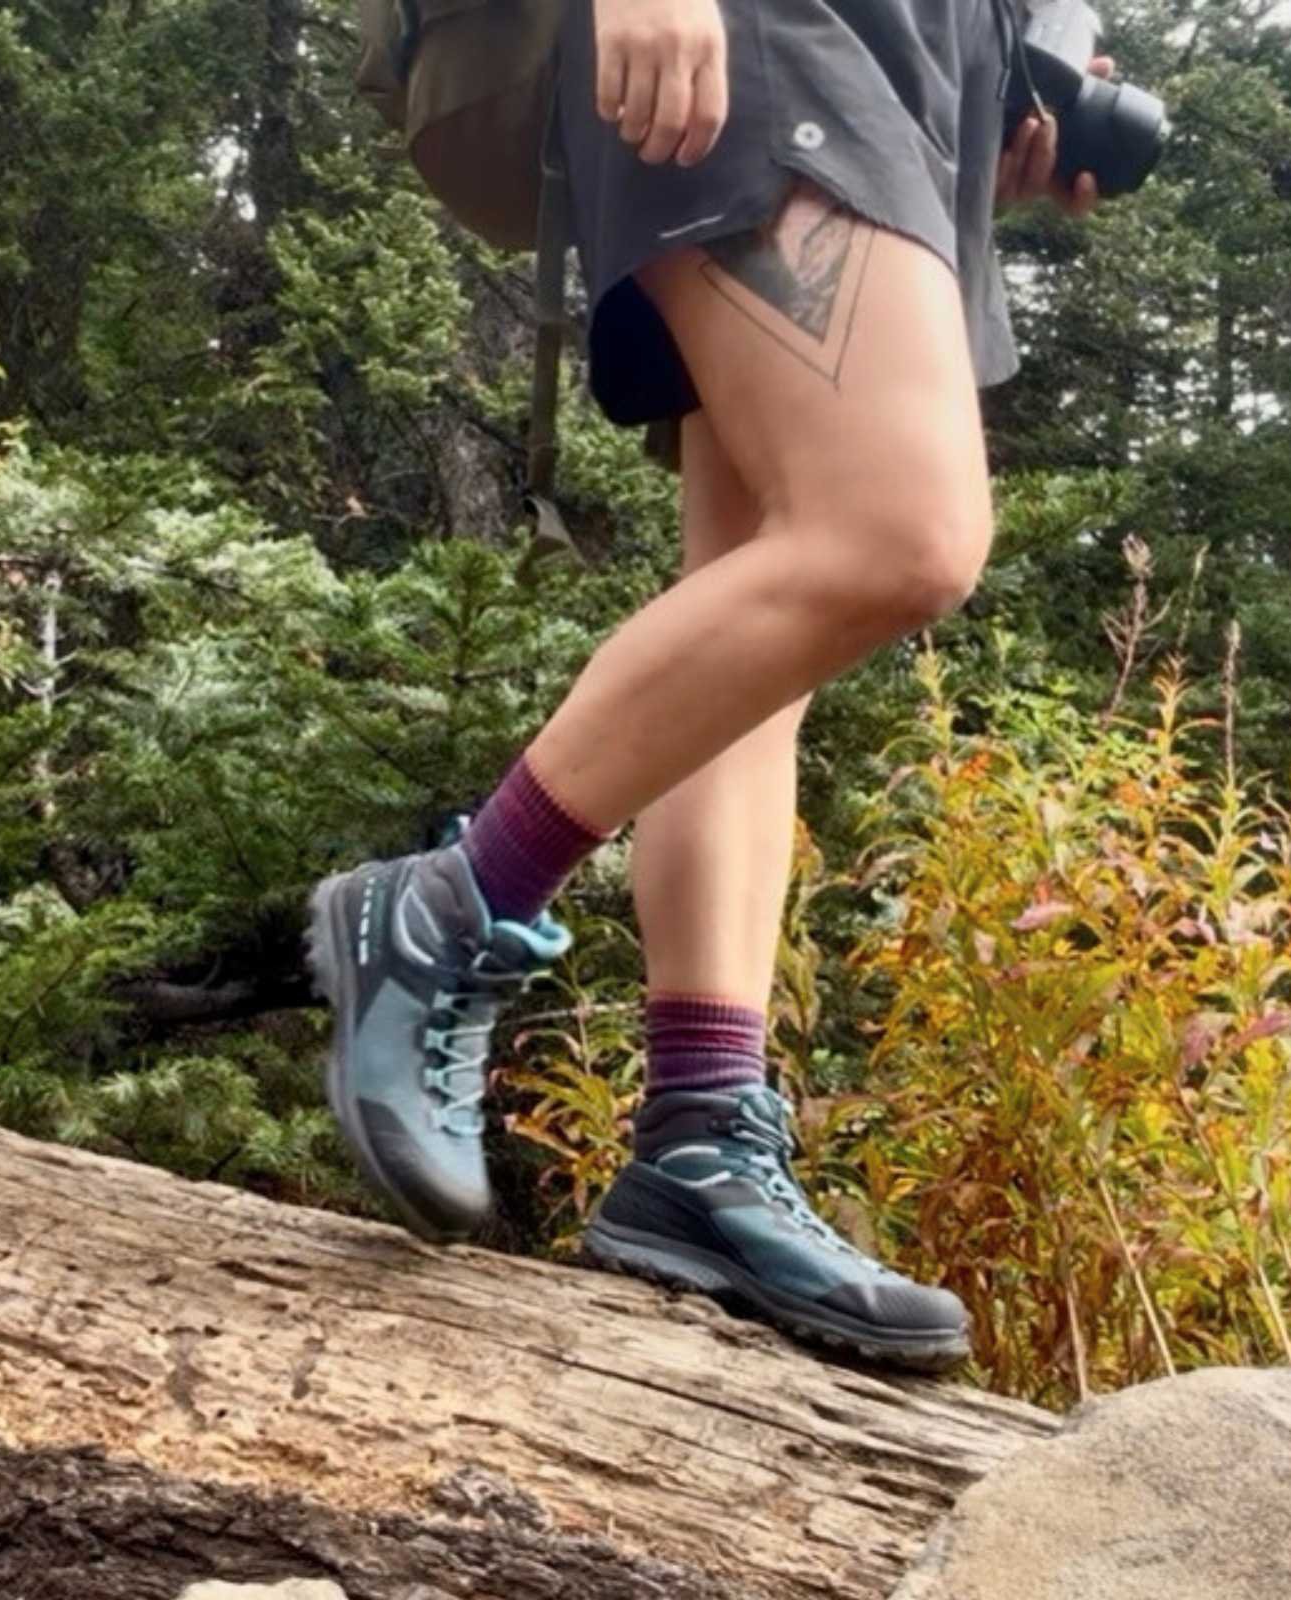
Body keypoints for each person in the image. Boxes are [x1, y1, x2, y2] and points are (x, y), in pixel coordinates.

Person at [306, 0, 1113, 1370]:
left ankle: (701, 1136)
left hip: (914, 68)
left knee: (764, 613)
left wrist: (1036, 60)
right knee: (898, 531)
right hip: (763, 28)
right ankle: (450, 906)